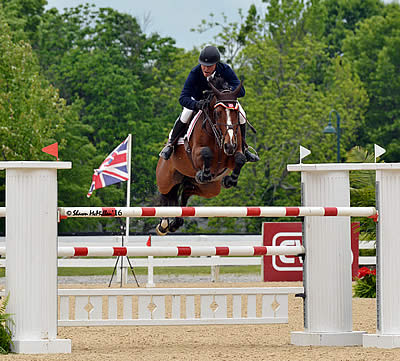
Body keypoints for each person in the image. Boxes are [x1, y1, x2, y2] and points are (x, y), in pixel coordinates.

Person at [159, 45, 259, 163]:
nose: (205, 69)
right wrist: (196, 104)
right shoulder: (195, 73)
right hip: (199, 101)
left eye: (209, 66)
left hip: (221, 102)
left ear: (216, 64)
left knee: (242, 114)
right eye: (203, 65)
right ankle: (171, 143)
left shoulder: (225, 70)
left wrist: (227, 91)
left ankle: (243, 148)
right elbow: (183, 98)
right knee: (186, 112)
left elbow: (241, 91)